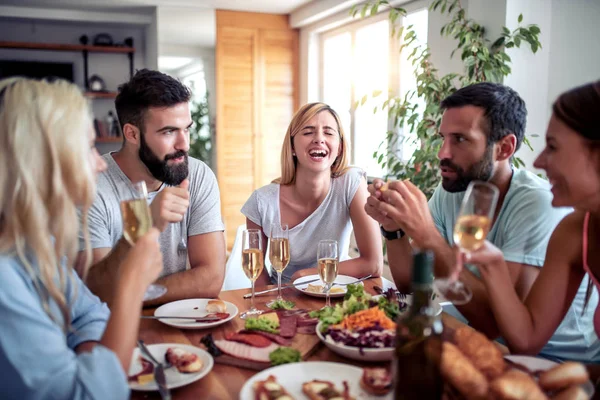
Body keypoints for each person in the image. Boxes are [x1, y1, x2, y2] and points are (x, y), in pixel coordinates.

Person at [364, 82, 595, 362]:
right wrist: (394, 228)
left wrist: (426, 234)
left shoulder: (536, 204)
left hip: (552, 362)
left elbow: (498, 326)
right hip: (486, 344)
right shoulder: (454, 189)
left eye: (460, 139)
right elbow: (410, 286)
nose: (442, 153)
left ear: (504, 148)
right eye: (443, 138)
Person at [0, 77, 163, 398]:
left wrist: (93, 366)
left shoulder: (34, 246)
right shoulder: (4, 277)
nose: (100, 163)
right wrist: (132, 285)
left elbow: (90, 312)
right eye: (88, 147)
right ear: (47, 162)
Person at [464, 81, 600, 364]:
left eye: (552, 146)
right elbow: (526, 340)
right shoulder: (576, 230)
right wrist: (493, 264)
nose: (538, 162)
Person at [79, 69, 226, 305]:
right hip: (109, 328)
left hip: (179, 322)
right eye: (169, 131)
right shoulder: (92, 185)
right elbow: (98, 291)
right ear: (132, 134)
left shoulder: (197, 175)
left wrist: (133, 293)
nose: (184, 144)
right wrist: (144, 225)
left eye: (186, 128)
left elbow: (210, 278)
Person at [242, 102, 383, 285]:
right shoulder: (261, 202)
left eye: (329, 132)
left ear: (339, 148)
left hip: (334, 293)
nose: (319, 139)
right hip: (283, 296)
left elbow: (374, 264)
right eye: (308, 132)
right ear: (292, 146)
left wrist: (308, 274)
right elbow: (259, 279)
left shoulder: (351, 183)